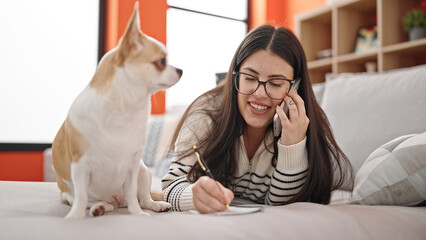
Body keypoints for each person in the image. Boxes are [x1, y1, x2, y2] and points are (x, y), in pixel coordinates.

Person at [161, 25, 352, 213]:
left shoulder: (306, 124)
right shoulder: (206, 112)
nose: (259, 94)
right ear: (236, 77)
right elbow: (171, 185)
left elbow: (283, 208)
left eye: (276, 83)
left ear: (295, 87)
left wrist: (292, 145)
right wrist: (193, 196)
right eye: (250, 78)